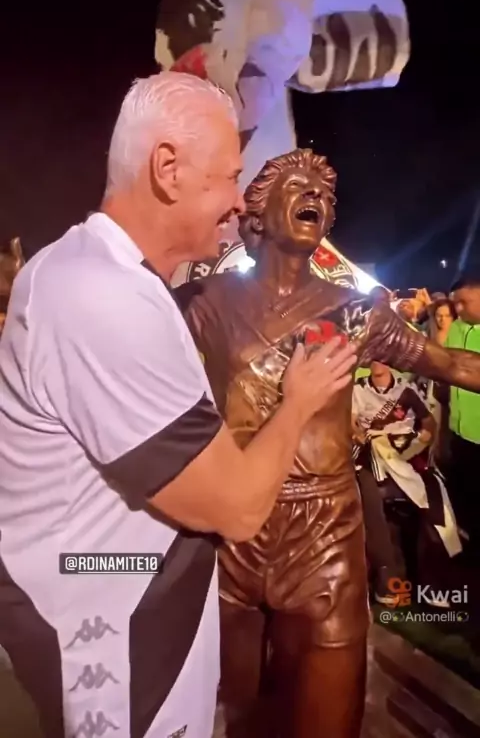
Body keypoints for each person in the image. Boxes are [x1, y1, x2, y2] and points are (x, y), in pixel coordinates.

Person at [0, 74, 357, 738]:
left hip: (156, 624)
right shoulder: (100, 295)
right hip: (115, 657)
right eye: (230, 178)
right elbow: (237, 506)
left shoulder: (121, 282)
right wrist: (299, 402)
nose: (238, 202)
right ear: (168, 169)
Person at [177, 147, 480, 738]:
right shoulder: (205, 304)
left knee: (328, 713)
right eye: (298, 184)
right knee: (244, 720)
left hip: (325, 534)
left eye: (326, 193)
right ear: (258, 212)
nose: (316, 194)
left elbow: (449, 363)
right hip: (234, 530)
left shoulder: (357, 313)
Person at [352, 361, 461, 606]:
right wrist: (357, 433)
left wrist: (424, 436)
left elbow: (428, 422)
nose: (377, 363)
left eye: (383, 357)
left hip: (405, 452)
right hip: (372, 455)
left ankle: (431, 582)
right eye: (373, 357)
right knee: (369, 495)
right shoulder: (358, 389)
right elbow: (351, 422)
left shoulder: (406, 389)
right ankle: (387, 578)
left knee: (433, 494)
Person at [445, 276, 480, 554]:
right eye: (454, 303)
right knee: (465, 494)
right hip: (458, 430)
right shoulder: (456, 328)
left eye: (463, 302)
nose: (457, 309)